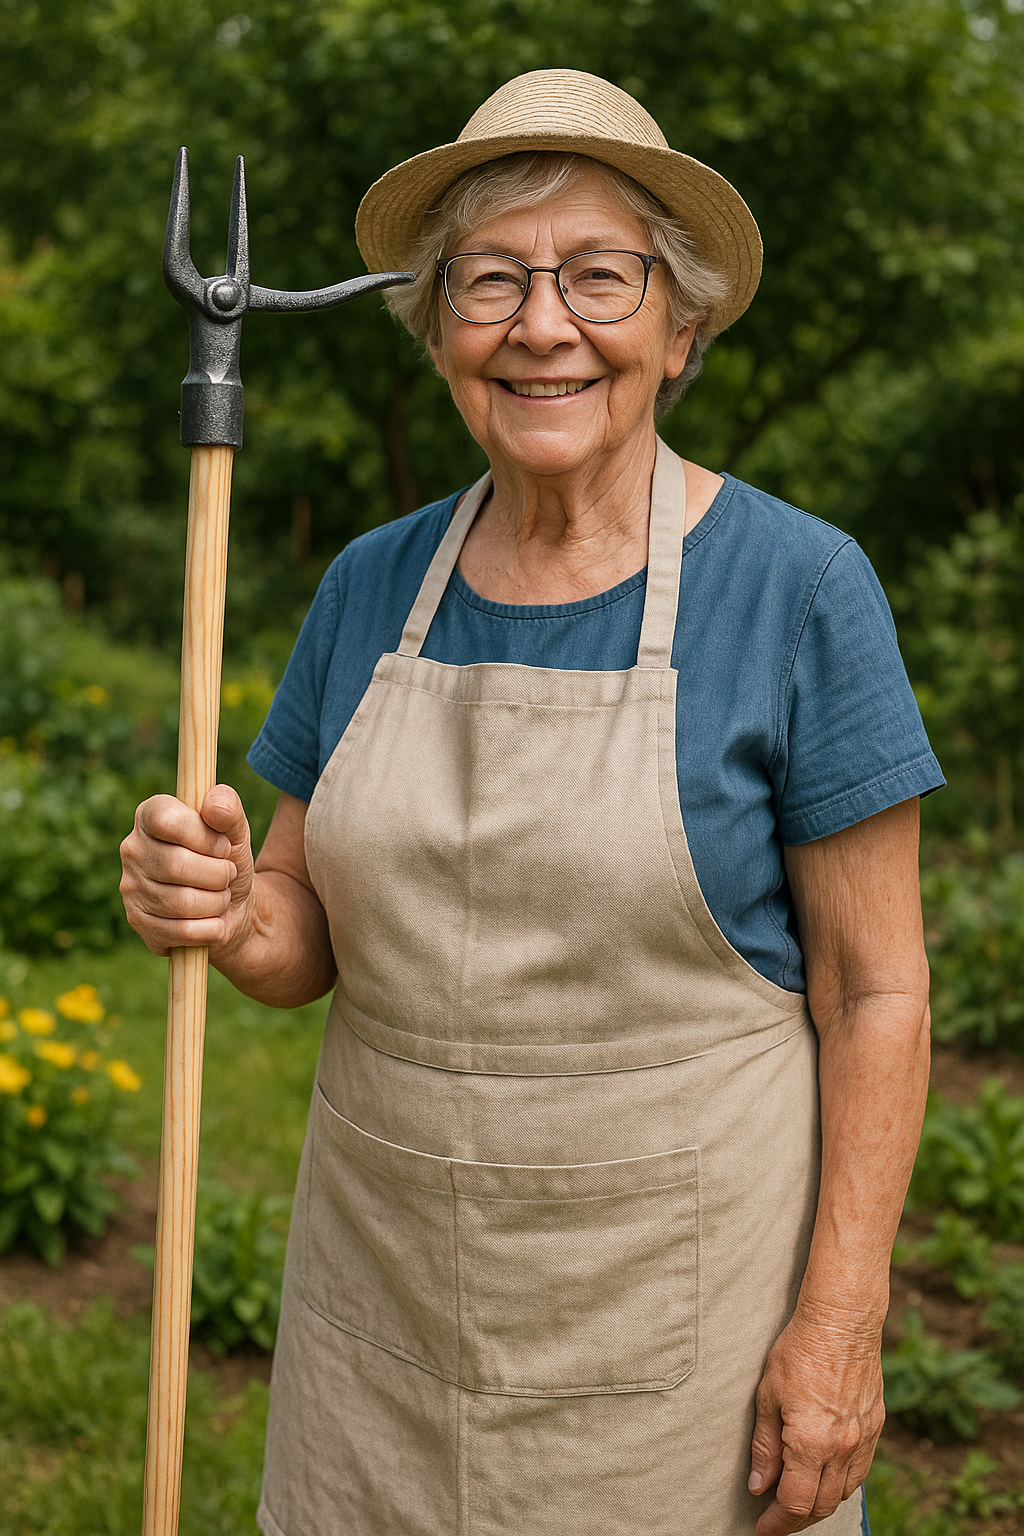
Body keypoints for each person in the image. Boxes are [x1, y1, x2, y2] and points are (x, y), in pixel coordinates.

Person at [120, 69, 941, 1536]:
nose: (541, 325)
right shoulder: (372, 581)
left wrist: (841, 1327)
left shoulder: (802, 590)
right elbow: (306, 929)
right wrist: (235, 908)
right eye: (489, 280)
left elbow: (877, 993)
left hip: (680, 1359)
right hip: (387, 1329)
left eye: (598, 277)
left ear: (680, 325)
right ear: (437, 327)